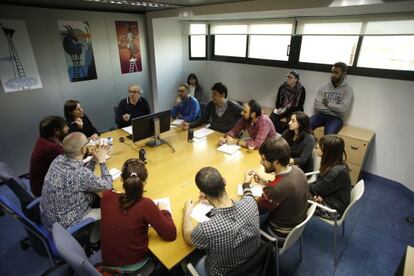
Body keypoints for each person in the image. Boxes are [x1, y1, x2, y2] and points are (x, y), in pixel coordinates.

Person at [100, 158, 176, 273]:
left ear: (121, 179)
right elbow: (170, 235)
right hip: (134, 267)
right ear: (145, 182)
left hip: (107, 263)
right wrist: (165, 211)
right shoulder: (145, 204)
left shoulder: (106, 197)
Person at [183, 167, 260, 276]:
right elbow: (248, 194)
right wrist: (246, 183)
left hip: (223, 272)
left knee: (187, 259)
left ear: (203, 193)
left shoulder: (206, 229)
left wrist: (187, 213)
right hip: (252, 262)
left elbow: (188, 238)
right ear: (224, 181)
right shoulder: (250, 203)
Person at [40, 132, 112, 231]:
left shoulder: (58, 159)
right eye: (87, 142)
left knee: (95, 196)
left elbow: (82, 179)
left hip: (49, 219)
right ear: (83, 149)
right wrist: (102, 162)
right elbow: (108, 186)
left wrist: (94, 160)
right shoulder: (80, 174)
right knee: (111, 210)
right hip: (66, 227)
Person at [244, 137, 308, 242]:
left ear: (276, 162)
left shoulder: (275, 188)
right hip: (296, 224)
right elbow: (283, 189)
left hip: (279, 232)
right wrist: (265, 183)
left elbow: (253, 210)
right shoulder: (298, 170)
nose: (261, 162)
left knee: (241, 222)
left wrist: (246, 185)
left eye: (264, 159)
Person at [309, 134, 351, 219]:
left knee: (296, 198)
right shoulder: (334, 164)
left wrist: (299, 183)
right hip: (329, 198)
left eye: (320, 146)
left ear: (328, 151)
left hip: (333, 210)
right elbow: (321, 187)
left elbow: (317, 189)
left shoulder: (336, 172)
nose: (317, 146)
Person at [310, 62, 354, 134]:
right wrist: (334, 108)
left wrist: (327, 104)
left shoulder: (348, 90)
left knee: (329, 135)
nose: (333, 75)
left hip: (336, 118)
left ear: (344, 74)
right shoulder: (323, 88)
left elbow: (342, 109)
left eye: (336, 73)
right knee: (305, 126)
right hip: (321, 115)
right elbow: (317, 105)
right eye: (332, 72)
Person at [30, 116, 69, 197]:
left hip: (39, 185)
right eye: (65, 127)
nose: (68, 128)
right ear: (56, 131)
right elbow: (71, 167)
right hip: (45, 190)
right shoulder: (51, 148)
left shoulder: (43, 140)